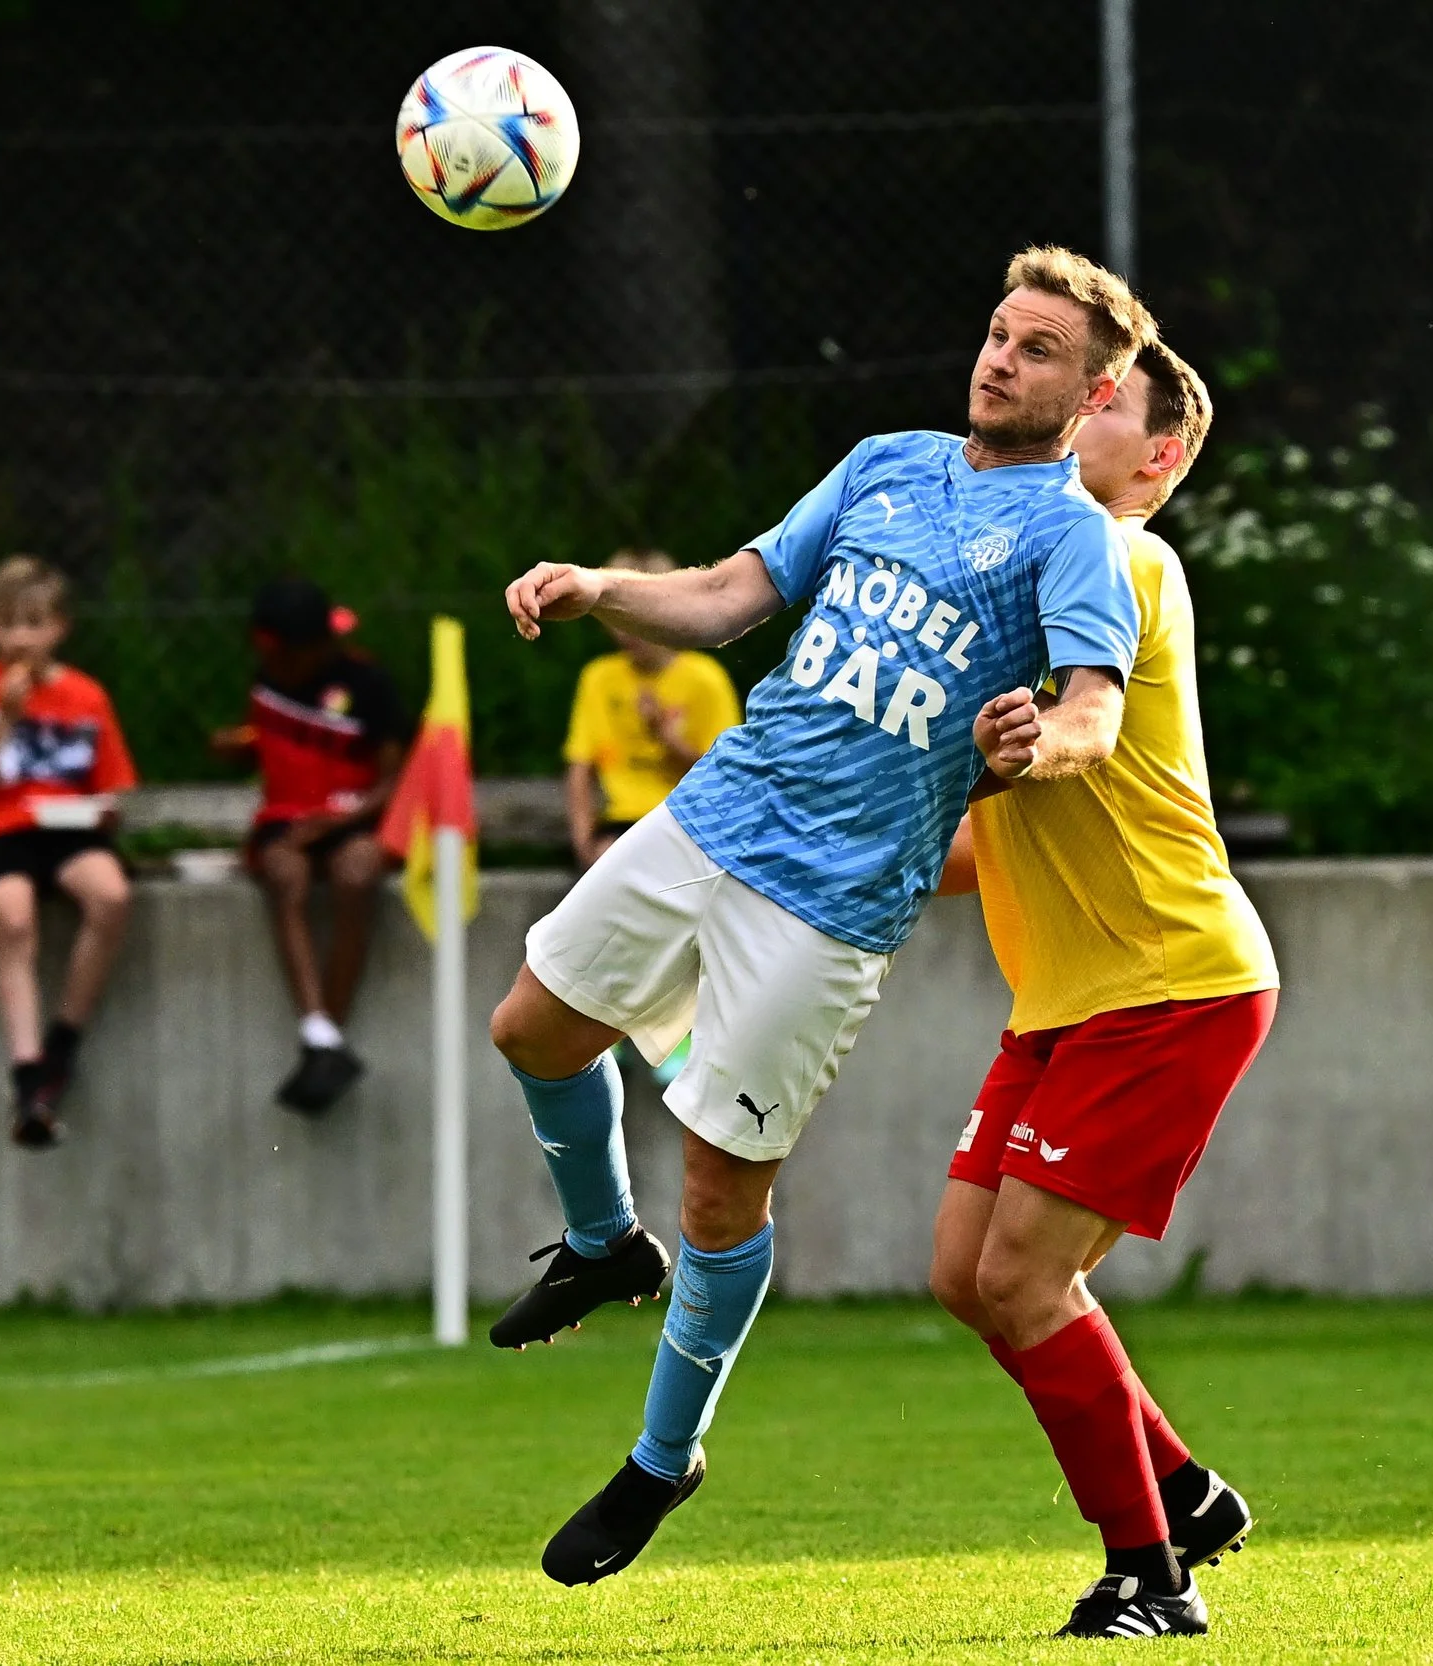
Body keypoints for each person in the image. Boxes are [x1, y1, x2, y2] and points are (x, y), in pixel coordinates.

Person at [490, 244, 1152, 1589]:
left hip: (832, 901)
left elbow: (1096, 706)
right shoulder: (883, 462)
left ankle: (664, 1456)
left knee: (723, 1194)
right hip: (715, 812)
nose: (1000, 359)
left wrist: (1042, 743)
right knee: (533, 1027)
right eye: (996, 331)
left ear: (1089, 396)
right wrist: (602, 586)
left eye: (1036, 350)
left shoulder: (1070, 532)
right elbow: (737, 596)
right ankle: (606, 1245)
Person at [930, 340, 1278, 1640]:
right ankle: (1181, 1491)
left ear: (1159, 458)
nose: (1078, 408)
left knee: (1025, 1280)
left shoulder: (1122, 558)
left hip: (1170, 983)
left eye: (1108, 402)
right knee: (968, 1274)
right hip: (1069, 1003)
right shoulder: (1039, 566)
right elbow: (981, 840)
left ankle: (1152, 1576)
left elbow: (1074, 739)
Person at [0, 555, 138, 1150]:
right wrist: (5, 721)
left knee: (111, 895)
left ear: (59, 629)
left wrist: (103, 811)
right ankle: (27, 1075)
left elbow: (113, 787)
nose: (21, 637)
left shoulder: (85, 696)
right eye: (8, 623)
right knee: (13, 915)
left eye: (34, 623)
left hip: (65, 826)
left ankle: (64, 1041)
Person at [212, 578, 412, 1115]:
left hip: (353, 816)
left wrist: (333, 823)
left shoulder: (368, 682)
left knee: (356, 874)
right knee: (285, 875)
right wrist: (240, 746)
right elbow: (280, 751)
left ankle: (326, 1030)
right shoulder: (268, 682)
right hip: (285, 822)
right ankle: (319, 1034)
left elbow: (394, 781)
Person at [562, 548, 742, 871]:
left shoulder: (706, 679)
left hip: (687, 822)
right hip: (622, 823)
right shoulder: (598, 678)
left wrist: (668, 741)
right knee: (611, 861)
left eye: (637, 616)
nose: (626, 631)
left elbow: (726, 777)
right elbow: (580, 767)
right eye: (618, 617)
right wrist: (584, 844)